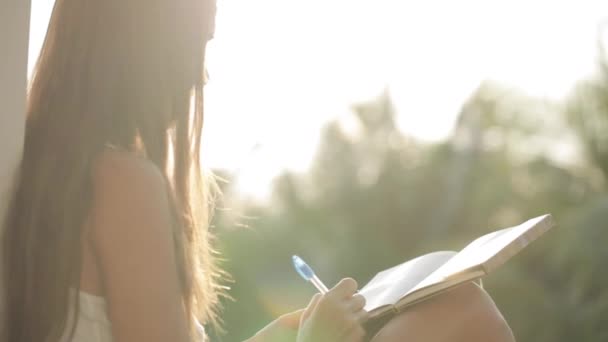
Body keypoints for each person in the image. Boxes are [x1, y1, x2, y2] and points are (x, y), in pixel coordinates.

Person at [1, 0, 515, 341]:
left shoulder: (59, 171)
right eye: (197, 45)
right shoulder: (122, 183)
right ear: (143, 49)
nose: (202, 74)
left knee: (459, 305)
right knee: (465, 316)